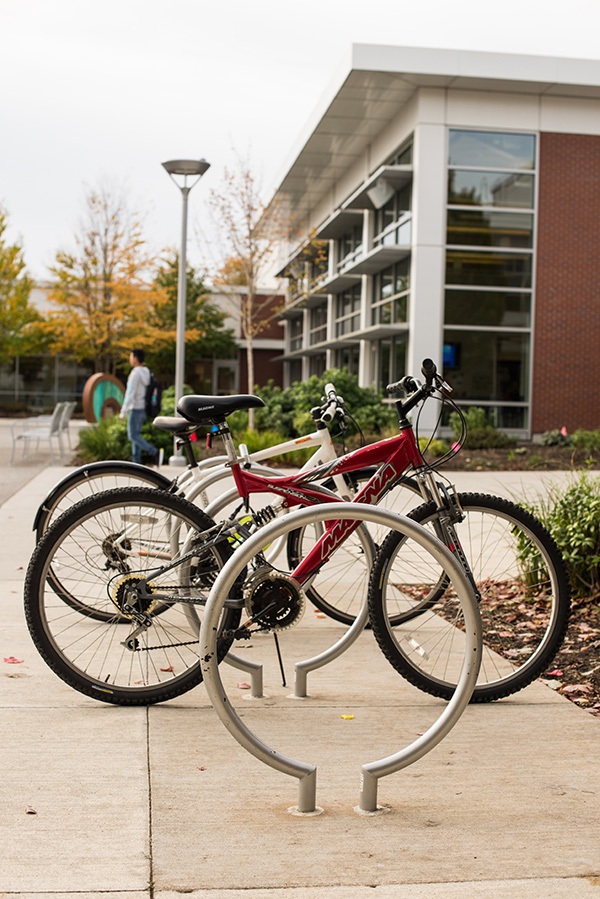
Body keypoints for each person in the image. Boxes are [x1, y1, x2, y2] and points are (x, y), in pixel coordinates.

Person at [119, 348, 159, 465]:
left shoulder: (135, 374)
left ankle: (153, 451)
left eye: (131, 356)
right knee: (136, 436)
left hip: (135, 407)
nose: (130, 359)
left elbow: (130, 393)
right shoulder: (147, 372)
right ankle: (136, 463)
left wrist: (123, 412)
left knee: (132, 436)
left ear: (135, 358)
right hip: (143, 408)